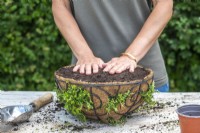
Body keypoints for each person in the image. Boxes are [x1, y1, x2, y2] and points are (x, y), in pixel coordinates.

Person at [52, 0, 173, 92]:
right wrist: (84, 54)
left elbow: (164, 5)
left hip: (144, 79)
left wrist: (130, 56)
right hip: (85, 77)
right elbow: (61, 6)